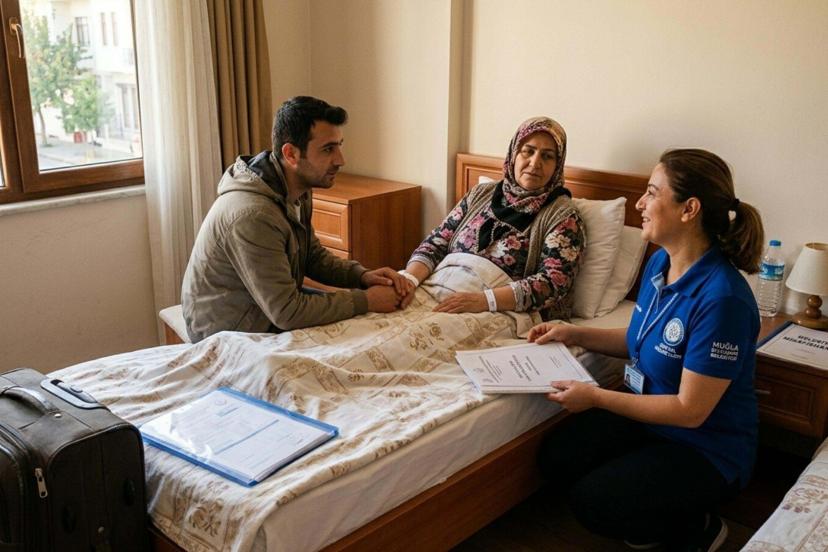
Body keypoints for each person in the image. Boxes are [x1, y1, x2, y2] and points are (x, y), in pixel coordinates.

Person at [528, 149, 765, 551]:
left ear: (689, 209)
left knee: (594, 502)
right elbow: (641, 339)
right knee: (558, 457)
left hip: (705, 448)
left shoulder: (723, 299)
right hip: (652, 422)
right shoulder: (660, 264)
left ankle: (699, 528)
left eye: (652, 193)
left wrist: (595, 398)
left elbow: (690, 411)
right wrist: (574, 333)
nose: (639, 204)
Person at [181, 96, 406, 343]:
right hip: (225, 329)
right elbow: (287, 312)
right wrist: (366, 300)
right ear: (291, 154)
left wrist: (362, 276)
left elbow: (312, 256)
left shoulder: (295, 188)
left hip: (265, 308)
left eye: (339, 146)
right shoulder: (254, 215)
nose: (341, 160)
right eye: (328, 149)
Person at [398, 117, 585, 319]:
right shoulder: (480, 193)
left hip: (498, 309)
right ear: (514, 154)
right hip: (438, 287)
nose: (535, 163)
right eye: (528, 151)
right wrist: (409, 281)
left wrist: (484, 300)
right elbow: (437, 242)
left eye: (547, 156)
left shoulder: (563, 216)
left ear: (557, 165)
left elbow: (554, 282)